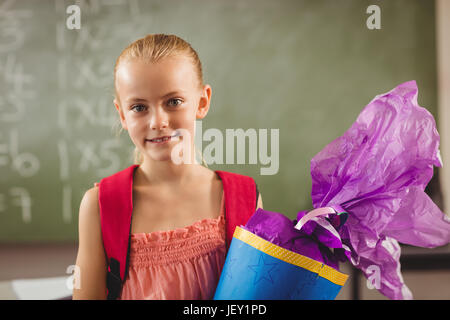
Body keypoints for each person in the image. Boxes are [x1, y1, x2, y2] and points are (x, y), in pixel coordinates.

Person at [72, 34, 263, 300]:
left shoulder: (244, 198)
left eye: (173, 102)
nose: (158, 121)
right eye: (139, 107)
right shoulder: (99, 205)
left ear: (202, 101)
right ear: (122, 115)